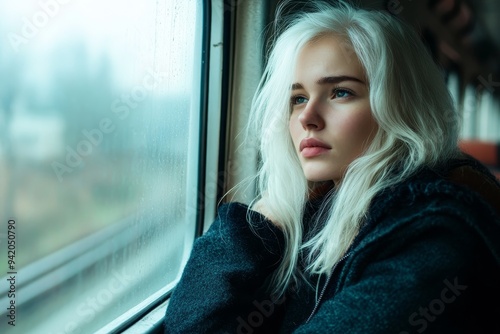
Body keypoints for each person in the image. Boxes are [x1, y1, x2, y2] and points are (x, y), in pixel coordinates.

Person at [164, 1, 500, 333]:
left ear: (401, 106)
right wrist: (264, 218)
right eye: (298, 98)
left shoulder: (435, 234)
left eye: (340, 92)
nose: (307, 118)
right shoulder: (317, 211)